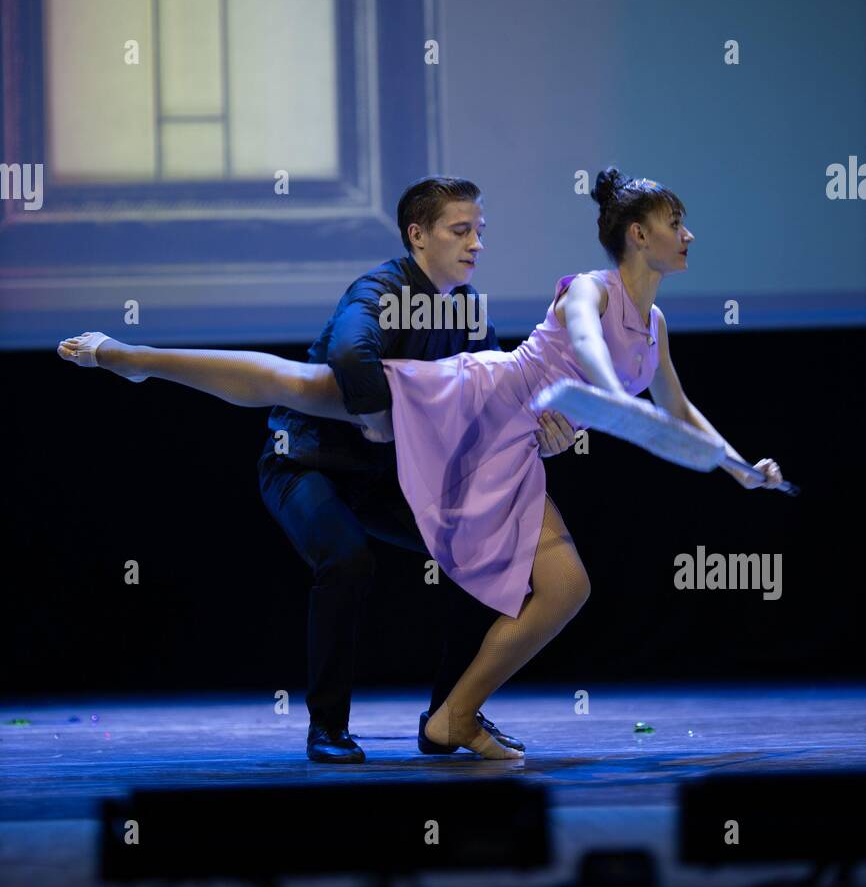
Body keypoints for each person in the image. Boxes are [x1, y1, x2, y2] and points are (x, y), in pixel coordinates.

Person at [58, 167, 786, 760]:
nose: (687, 235)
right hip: (452, 413)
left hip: (504, 440)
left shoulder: (651, 325)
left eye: (478, 231)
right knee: (297, 385)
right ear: (638, 234)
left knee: (565, 588)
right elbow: (585, 355)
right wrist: (594, 402)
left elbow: (680, 408)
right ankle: (130, 358)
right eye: (675, 222)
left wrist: (738, 466)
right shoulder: (584, 290)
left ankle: (453, 718)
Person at [255, 175, 573, 762]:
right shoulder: (380, 288)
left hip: (385, 476)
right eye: (461, 230)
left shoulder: (468, 309)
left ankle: (449, 715)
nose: (476, 242)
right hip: (305, 461)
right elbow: (352, 352)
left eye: (480, 230)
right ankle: (326, 728)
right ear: (418, 235)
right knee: (347, 558)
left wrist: (545, 433)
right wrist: (376, 418)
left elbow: (502, 395)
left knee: (482, 553)